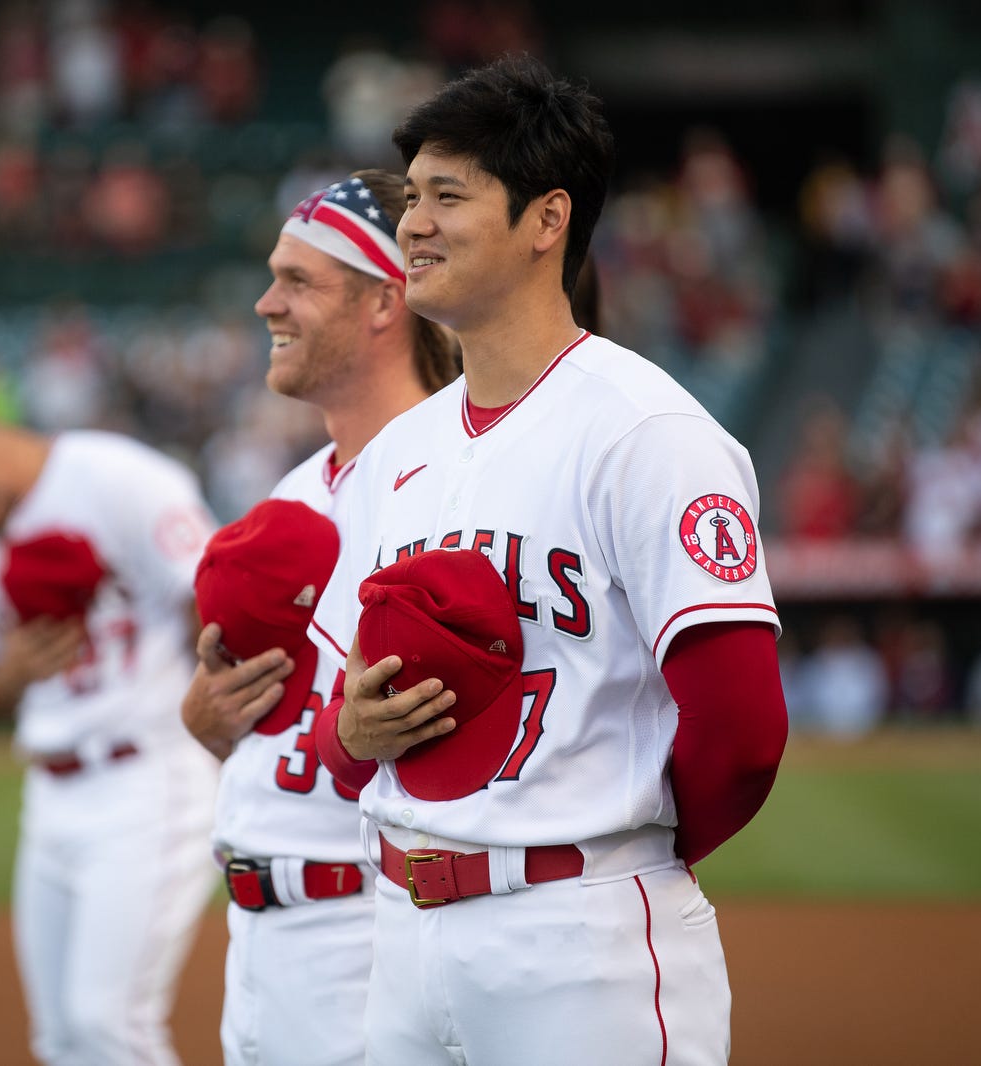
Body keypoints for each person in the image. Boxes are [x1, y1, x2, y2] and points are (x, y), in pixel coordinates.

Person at [306, 55, 788, 1065]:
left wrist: (612, 858)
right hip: (401, 935)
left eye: (450, 194)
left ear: (545, 219)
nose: (415, 224)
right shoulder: (400, 451)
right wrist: (354, 726)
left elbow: (739, 729)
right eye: (412, 198)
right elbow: (344, 730)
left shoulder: (647, 430)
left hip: (579, 940)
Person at [178, 170, 458, 1066]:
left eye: (299, 280)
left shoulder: (460, 476)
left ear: (385, 300)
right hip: (262, 940)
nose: (268, 302)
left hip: (374, 929)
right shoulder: (298, 490)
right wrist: (210, 722)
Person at [0, 388, 219, 1066]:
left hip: (148, 776)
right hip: (52, 793)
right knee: (59, 1036)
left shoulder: (117, 478)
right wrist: (15, 670)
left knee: (108, 1023)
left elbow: (213, 599)